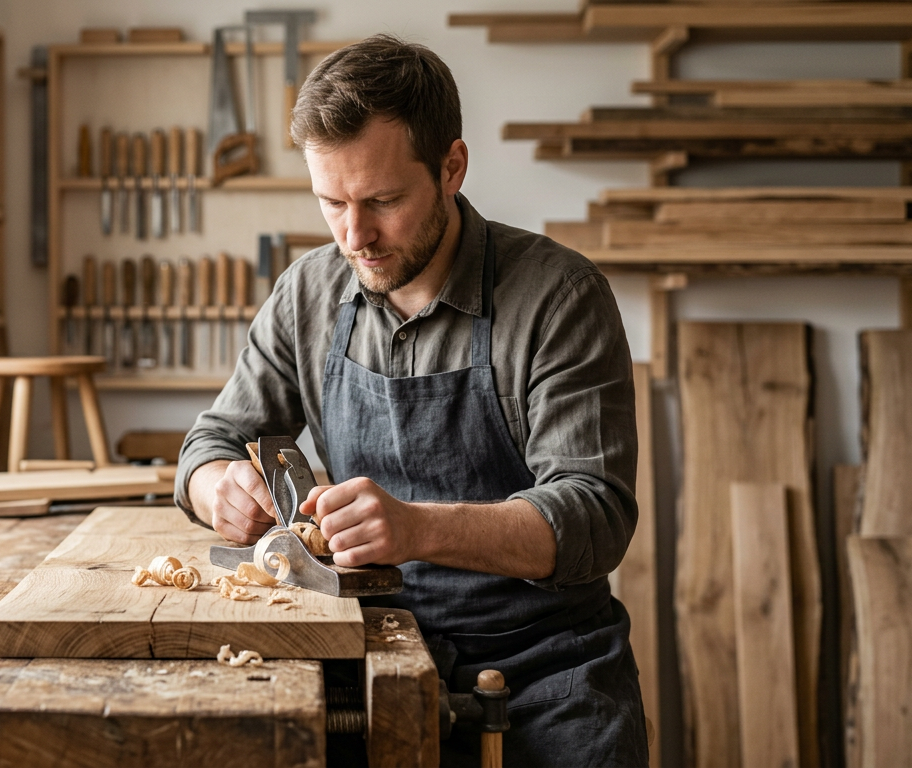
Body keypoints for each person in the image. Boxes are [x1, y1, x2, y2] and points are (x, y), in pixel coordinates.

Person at [175, 34, 648, 766]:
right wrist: (220, 492)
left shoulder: (559, 297)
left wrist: (419, 529)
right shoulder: (309, 291)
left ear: (452, 167)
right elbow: (208, 446)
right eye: (331, 202)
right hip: (365, 660)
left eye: (383, 201)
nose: (354, 236)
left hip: (545, 677)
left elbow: (595, 514)